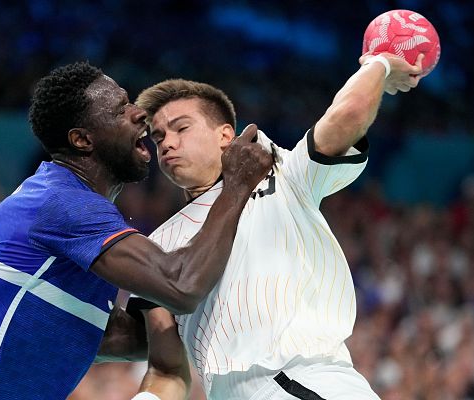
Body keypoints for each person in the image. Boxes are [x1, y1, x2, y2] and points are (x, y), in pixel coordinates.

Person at [0, 62, 273, 399]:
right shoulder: (65, 205)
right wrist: (235, 184)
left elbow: (121, 336)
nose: (139, 114)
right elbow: (180, 284)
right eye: (119, 110)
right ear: (82, 140)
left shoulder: (68, 210)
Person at [126, 52, 424, 400]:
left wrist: (380, 64)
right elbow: (166, 371)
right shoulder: (157, 245)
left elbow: (349, 114)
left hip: (303, 380)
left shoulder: (283, 173)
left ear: (225, 135)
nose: (167, 143)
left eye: (181, 128)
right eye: (158, 137)